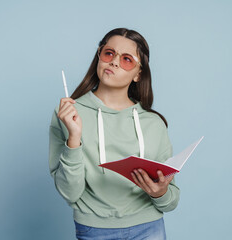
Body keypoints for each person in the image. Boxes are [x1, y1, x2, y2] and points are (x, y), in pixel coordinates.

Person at [49, 28, 180, 240]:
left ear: (139, 73)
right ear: (99, 57)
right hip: (93, 229)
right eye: (109, 53)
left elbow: (172, 201)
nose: (114, 62)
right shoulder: (68, 114)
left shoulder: (153, 123)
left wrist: (160, 193)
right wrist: (74, 139)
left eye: (127, 59)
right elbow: (69, 193)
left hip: (149, 226)